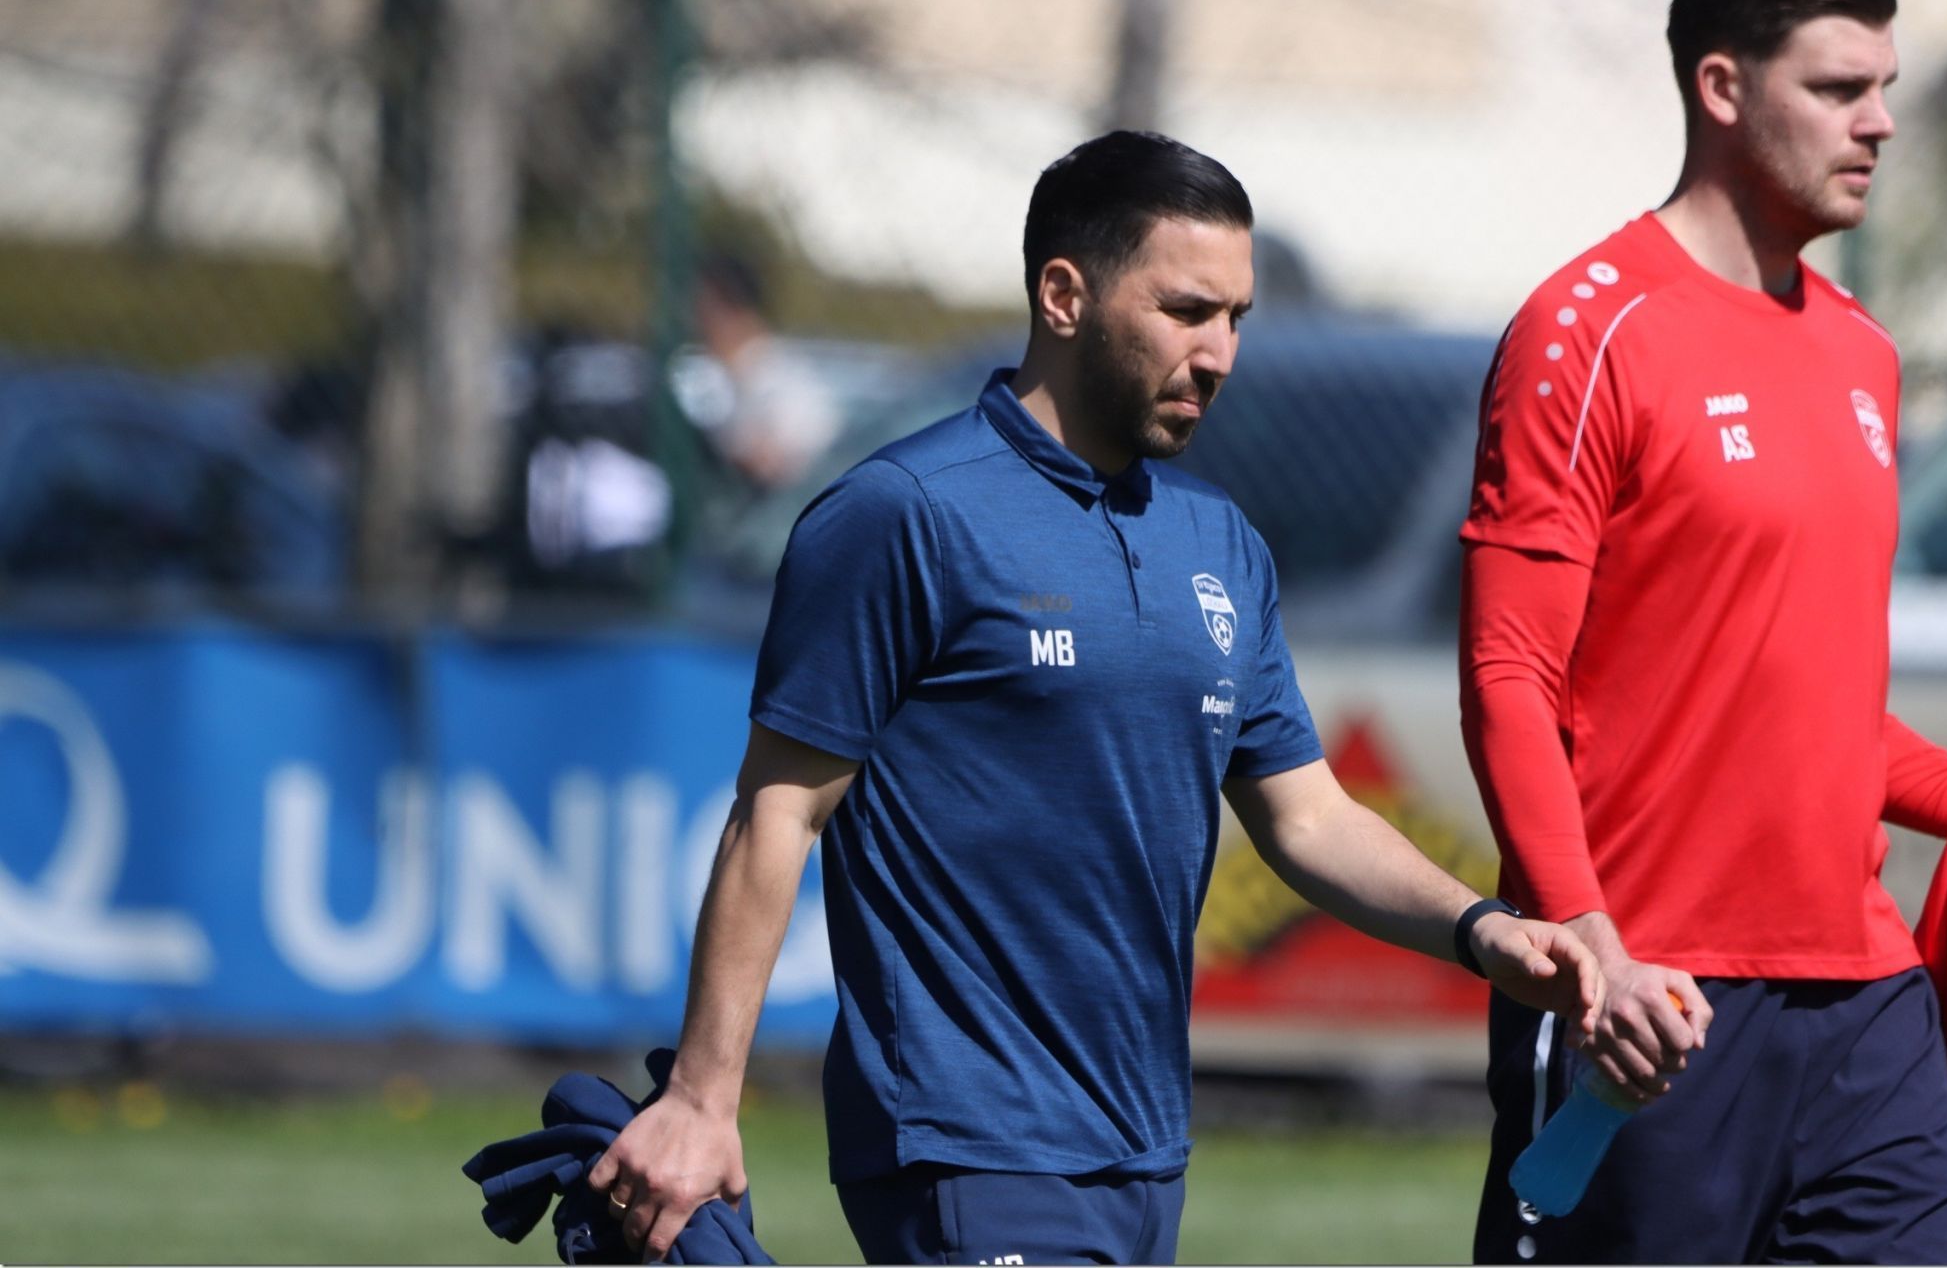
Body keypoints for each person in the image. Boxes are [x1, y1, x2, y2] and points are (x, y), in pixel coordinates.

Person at [593, 130, 1604, 1265]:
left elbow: (1308, 818)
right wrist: (699, 1095)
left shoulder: (1216, 540)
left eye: (1235, 318)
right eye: (1184, 310)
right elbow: (777, 810)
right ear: (1063, 295)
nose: (1218, 352)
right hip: (967, 1135)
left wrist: (1482, 933)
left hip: (1141, 1147)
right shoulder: (903, 515)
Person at [1459, 0, 1947, 1264]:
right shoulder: (1587, 331)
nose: (1877, 123)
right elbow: (1511, 675)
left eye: (1884, 88)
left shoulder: (1866, 356)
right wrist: (1587, 947)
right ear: (1721, 86)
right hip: (1652, 997)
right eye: (1836, 89)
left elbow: (1806, 699)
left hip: (1866, 997)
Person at [672, 251, 844, 493]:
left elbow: (776, 464)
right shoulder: (704, 375)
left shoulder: (786, 381)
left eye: (701, 306)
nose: (691, 319)